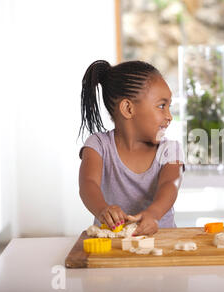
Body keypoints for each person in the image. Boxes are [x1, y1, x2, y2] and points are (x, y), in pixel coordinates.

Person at [78, 60, 184, 236]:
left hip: (161, 242)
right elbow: (88, 184)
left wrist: (154, 214)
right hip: (113, 244)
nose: (169, 116)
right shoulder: (98, 146)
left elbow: (170, 185)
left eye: (169, 106)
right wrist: (102, 209)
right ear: (128, 108)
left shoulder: (170, 149)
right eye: (161, 106)